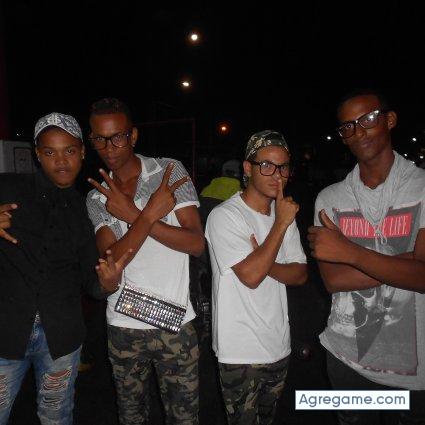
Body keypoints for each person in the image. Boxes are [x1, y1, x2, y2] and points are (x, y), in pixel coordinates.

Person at [0, 112, 129, 425]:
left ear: (82, 152)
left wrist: (108, 283)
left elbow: (91, 284)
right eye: (50, 152)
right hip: (6, 331)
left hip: (61, 339)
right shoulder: (7, 188)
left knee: (56, 417)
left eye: (69, 151)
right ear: (37, 154)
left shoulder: (86, 209)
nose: (61, 162)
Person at [308, 90, 425, 424]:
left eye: (368, 119)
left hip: (415, 371)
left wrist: (349, 252)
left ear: (390, 120)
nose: (358, 131)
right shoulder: (329, 199)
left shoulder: (422, 188)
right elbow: (335, 281)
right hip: (346, 359)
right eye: (348, 126)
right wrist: (406, 260)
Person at [85, 98, 204, 424]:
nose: (109, 148)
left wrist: (132, 216)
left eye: (118, 137)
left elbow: (196, 244)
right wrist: (147, 214)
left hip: (175, 323)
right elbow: (113, 260)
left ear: (133, 135)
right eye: (99, 139)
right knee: (131, 418)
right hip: (123, 325)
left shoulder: (168, 172)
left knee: (184, 418)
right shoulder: (96, 195)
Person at [205, 130, 307, 424]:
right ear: (247, 168)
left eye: (283, 167)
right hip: (240, 351)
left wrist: (265, 261)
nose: (277, 175)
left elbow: (300, 273)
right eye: (267, 165)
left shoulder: (283, 213)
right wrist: (280, 225)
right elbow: (250, 276)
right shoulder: (225, 216)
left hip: (279, 344)